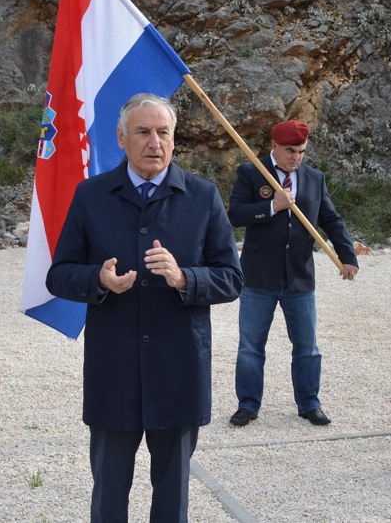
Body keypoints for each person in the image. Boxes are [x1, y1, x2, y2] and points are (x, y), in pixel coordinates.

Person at [45, 93, 244, 522]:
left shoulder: (202, 196)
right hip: (114, 370)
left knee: (172, 498)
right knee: (109, 493)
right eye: (143, 132)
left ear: (174, 138)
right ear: (121, 138)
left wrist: (185, 278)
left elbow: (232, 278)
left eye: (163, 132)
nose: (155, 142)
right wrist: (98, 279)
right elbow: (58, 275)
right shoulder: (92, 195)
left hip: (179, 370)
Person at [227, 120, 359, 427]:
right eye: (290, 151)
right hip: (258, 277)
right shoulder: (252, 173)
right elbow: (235, 214)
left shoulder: (314, 178)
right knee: (250, 347)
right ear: (274, 145)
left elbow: (332, 220)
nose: (296, 158)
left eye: (301, 151)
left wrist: (347, 256)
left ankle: (309, 403)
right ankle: (247, 404)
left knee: (307, 348)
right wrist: (271, 206)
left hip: (300, 277)